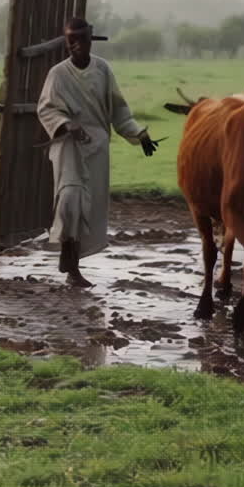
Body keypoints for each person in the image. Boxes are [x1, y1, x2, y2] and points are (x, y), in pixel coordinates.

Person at [37, 16, 158, 287]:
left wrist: (139, 133)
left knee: (88, 209)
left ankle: (73, 262)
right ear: (66, 42)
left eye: (81, 40)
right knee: (69, 200)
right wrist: (67, 125)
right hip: (68, 146)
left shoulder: (103, 70)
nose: (76, 46)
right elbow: (46, 109)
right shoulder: (57, 74)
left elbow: (119, 110)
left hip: (98, 147)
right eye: (71, 41)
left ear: (90, 40)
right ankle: (70, 263)